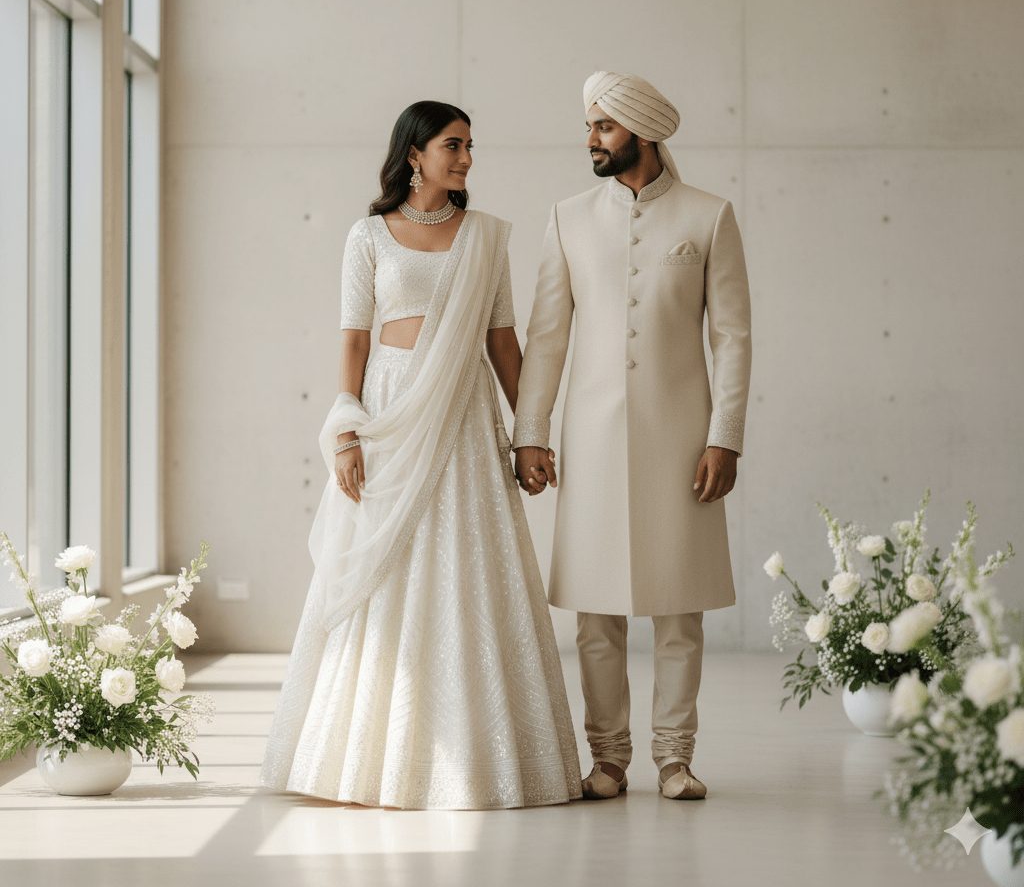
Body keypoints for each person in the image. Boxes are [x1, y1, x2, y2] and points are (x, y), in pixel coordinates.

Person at [260, 101, 582, 810]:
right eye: (453, 145)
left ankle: (482, 754)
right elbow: (353, 341)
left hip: (464, 414)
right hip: (390, 412)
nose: (466, 158)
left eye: (469, 147)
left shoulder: (486, 238)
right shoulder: (369, 236)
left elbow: (503, 342)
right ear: (415, 154)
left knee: (468, 564)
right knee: (385, 567)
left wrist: (531, 433)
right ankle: (368, 759)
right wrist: (345, 432)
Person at [512, 72, 752, 801]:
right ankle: (608, 759)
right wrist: (531, 433)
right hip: (590, 441)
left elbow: (733, 337)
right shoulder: (569, 217)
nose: (591, 139)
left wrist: (726, 436)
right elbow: (546, 337)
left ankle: (675, 760)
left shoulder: (709, 217)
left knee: (681, 610)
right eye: (590, 126)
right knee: (596, 612)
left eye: (603, 128)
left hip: (684, 442)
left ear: (642, 134)